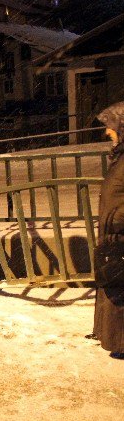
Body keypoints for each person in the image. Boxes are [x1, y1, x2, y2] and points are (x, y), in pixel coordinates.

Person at [92, 101, 124, 359]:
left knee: (119, 288)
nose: (107, 132)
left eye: (111, 127)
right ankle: (114, 339)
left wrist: (116, 219)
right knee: (113, 282)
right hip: (114, 233)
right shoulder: (120, 156)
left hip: (119, 232)